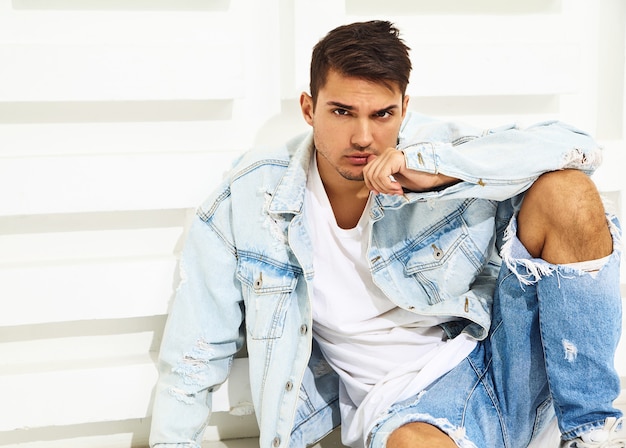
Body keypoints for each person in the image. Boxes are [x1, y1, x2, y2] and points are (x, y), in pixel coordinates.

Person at [149, 20, 624, 448]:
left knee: (566, 191)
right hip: (406, 407)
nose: (363, 137)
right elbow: (195, 352)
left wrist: (438, 171)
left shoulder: (429, 147)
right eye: (341, 112)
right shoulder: (251, 198)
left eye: (382, 115)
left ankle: (591, 433)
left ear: (403, 109)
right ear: (308, 108)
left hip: (504, 353)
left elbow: (577, 147)